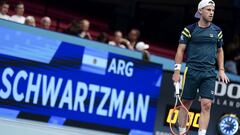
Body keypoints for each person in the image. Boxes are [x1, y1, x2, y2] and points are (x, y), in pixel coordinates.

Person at [172, 0, 230, 135]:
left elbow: (220, 51)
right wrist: (176, 71)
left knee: (207, 105)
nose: (211, 13)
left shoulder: (217, 31)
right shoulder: (189, 30)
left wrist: (221, 70)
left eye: (213, 10)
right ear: (200, 11)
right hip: (191, 71)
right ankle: (181, 132)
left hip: (209, 73)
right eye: (208, 10)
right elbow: (180, 50)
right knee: (185, 104)